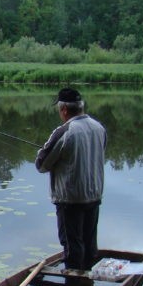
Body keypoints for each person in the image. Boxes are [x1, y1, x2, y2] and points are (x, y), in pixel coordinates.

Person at [35, 88, 106, 270]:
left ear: (64, 109)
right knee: (89, 245)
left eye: (59, 110)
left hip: (70, 200)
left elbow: (41, 165)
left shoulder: (65, 131)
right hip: (94, 195)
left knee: (72, 246)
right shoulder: (99, 128)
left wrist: (42, 152)